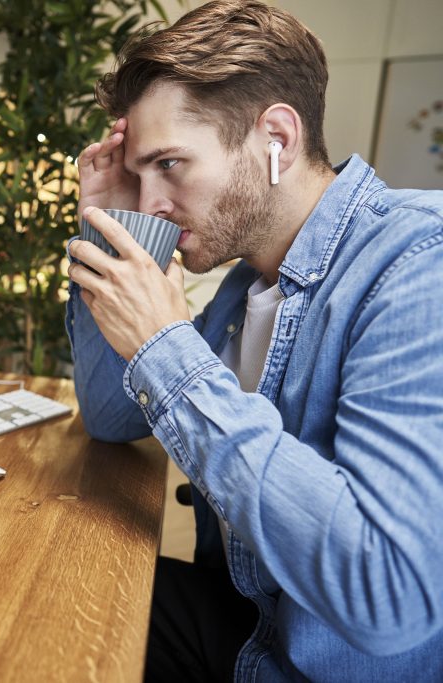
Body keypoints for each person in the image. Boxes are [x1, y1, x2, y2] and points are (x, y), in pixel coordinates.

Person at [64, 1, 443, 681]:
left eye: (170, 164)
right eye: (140, 176)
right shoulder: (247, 285)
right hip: (251, 619)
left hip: (321, 666)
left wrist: (167, 347)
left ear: (277, 138)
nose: (150, 203)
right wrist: (108, 231)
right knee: (61, 596)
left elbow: (389, 593)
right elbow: (110, 418)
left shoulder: (419, 264)